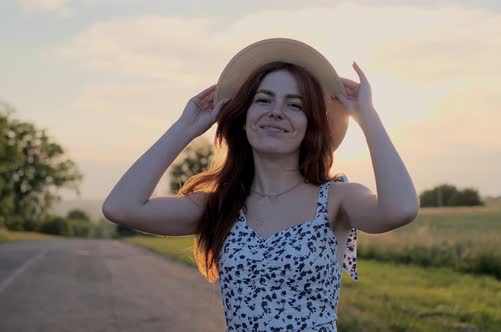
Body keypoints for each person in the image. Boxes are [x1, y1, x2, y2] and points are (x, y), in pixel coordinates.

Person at [102, 37, 419, 331]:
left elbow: (400, 209)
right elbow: (121, 207)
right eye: (264, 100)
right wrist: (184, 128)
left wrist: (367, 116)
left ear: (310, 125)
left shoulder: (337, 198)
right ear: (243, 116)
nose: (277, 112)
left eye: (295, 105)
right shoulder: (220, 204)